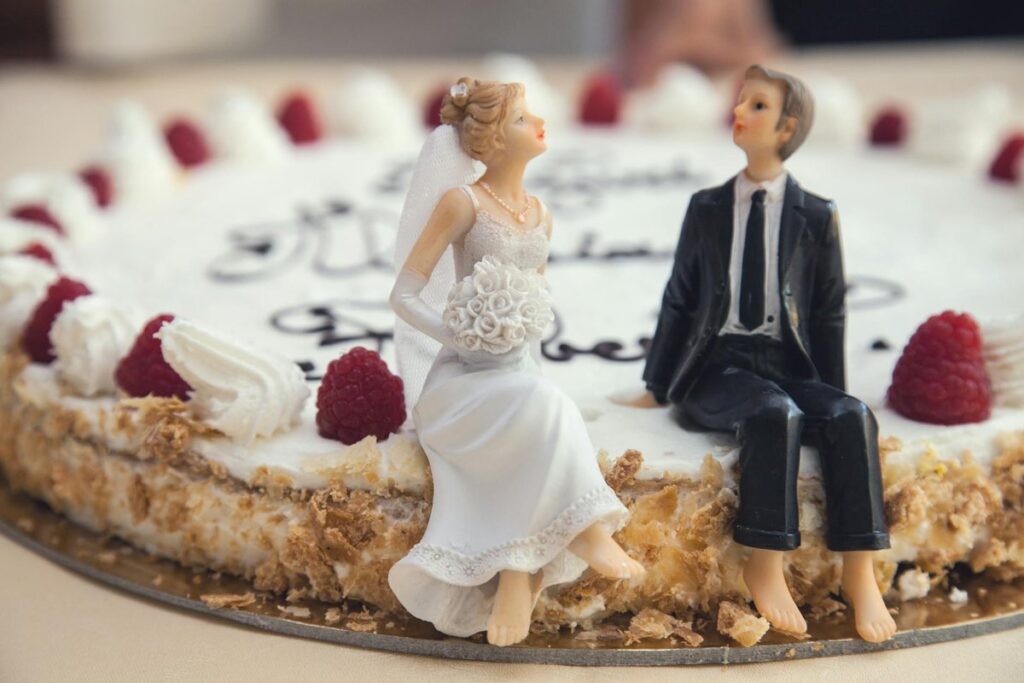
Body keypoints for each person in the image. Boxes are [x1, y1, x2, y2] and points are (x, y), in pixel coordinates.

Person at [621, 65, 897, 643]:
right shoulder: (707, 207)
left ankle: (859, 571)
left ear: (787, 126)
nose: (740, 111)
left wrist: (833, 389)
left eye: (758, 105)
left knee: (852, 417)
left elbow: (827, 311)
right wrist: (659, 383)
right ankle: (764, 563)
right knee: (773, 412)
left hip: (788, 362)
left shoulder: (817, 215)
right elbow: (680, 296)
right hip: (717, 366)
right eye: (742, 101)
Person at [387, 78, 645, 647]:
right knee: (547, 408)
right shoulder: (463, 204)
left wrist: (521, 339)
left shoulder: (541, 214)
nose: (539, 124)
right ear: (492, 139)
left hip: (518, 373)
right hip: (462, 382)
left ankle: (515, 576)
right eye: (523, 118)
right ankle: (584, 527)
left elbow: (537, 305)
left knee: (545, 404)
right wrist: (459, 334)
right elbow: (402, 296)